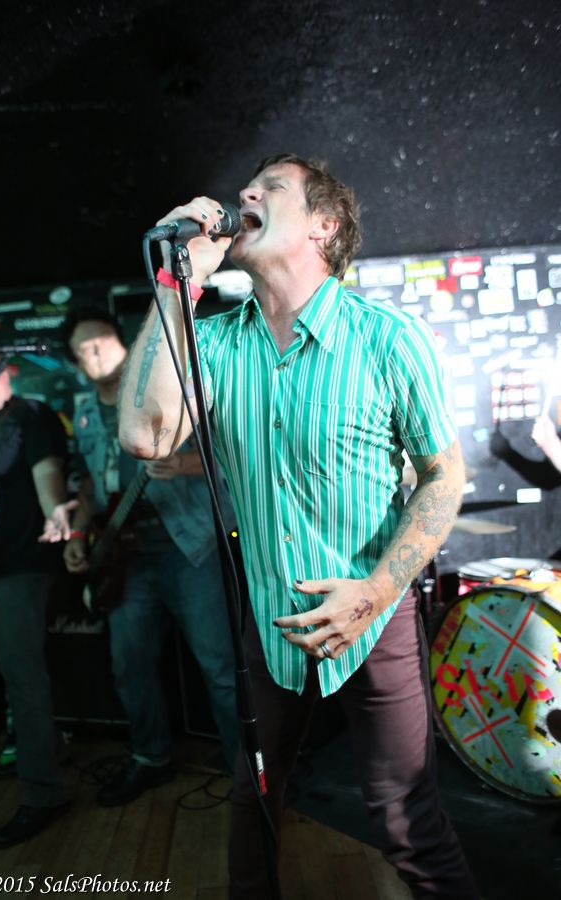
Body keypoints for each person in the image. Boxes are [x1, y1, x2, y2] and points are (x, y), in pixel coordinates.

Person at [117, 154, 479, 898]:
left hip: (375, 611)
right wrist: (177, 286)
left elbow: (444, 477)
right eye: (248, 186)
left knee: (407, 818)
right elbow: (146, 437)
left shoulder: (387, 337)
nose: (245, 193)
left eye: (270, 188)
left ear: (325, 226)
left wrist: (373, 592)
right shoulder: (214, 342)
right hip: (266, 615)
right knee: (253, 796)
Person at [55, 307, 238, 806]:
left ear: (125, 343)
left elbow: (232, 451)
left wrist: (182, 465)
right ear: (75, 362)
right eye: (83, 349)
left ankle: (246, 767)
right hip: (126, 559)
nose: (95, 353)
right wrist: (78, 533)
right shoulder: (85, 414)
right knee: (129, 664)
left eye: (101, 341)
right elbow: (87, 484)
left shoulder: (167, 393)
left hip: (189, 548)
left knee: (220, 666)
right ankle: (150, 758)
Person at [0, 347, 70, 849]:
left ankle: (44, 794)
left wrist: (55, 510)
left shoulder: (28, 414)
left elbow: (47, 471)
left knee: (23, 676)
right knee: (6, 668)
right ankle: (40, 749)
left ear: (7, 374)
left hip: (22, 564)